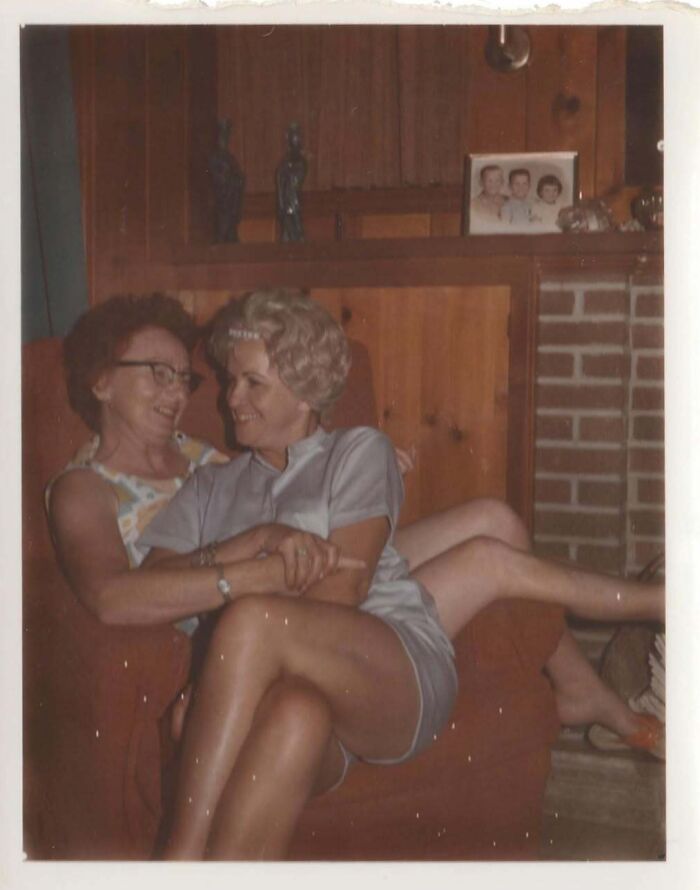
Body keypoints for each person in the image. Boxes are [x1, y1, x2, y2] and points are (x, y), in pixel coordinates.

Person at [47, 291, 663, 859]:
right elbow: (156, 578)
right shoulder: (210, 481)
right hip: (298, 693)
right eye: (231, 380)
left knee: (259, 617)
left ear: (306, 392)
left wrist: (224, 668)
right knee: (295, 715)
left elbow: (346, 588)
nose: (230, 399)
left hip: (387, 660)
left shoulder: (358, 450)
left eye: (253, 383)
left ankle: (178, 860)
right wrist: (247, 550)